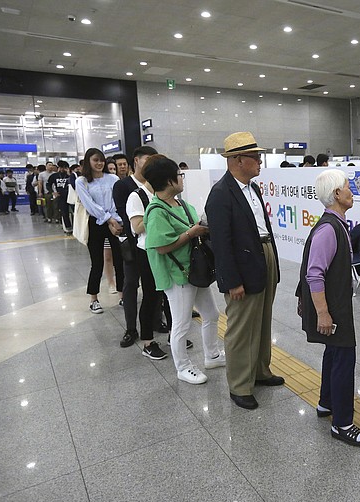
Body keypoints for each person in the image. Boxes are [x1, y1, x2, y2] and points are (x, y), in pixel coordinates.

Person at [205, 132, 283, 410]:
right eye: (255, 157)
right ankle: (239, 384)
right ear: (238, 160)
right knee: (240, 327)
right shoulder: (220, 194)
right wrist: (231, 281)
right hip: (242, 265)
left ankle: (260, 371)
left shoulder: (253, 189)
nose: (260, 161)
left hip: (264, 256)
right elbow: (221, 244)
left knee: (262, 319)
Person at [297, 169, 360, 446]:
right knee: (343, 359)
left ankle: (326, 402)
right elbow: (314, 274)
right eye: (348, 187)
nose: (352, 192)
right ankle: (342, 423)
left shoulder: (335, 224)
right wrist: (324, 313)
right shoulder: (329, 229)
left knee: (334, 353)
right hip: (332, 307)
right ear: (337, 194)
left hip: (336, 304)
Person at [143, 156, 223, 384]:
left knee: (211, 314)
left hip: (195, 271)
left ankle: (212, 354)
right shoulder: (156, 211)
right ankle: (183, 367)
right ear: (169, 181)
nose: (182, 178)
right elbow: (161, 246)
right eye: (179, 175)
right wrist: (191, 233)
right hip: (177, 275)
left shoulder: (181, 204)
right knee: (181, 324)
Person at [113, 145, 164, 355]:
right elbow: (128, 219)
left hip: (152, 246)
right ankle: (131, 329)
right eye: (147, 159)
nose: (151, 163)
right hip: (134, 245)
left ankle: (155, 322)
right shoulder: (124, 186)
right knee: (132, 284)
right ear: (136, 161)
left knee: (155, 287)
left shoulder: (157, 186)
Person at [74, 148, 125, 314]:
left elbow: (115, 201)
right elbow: (89, 205)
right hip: (96, 224)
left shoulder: (113, 178)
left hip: (115, 221)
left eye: (101, 160)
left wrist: (115, 220)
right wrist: (108, 218)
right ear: (88, 161)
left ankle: (122, 295)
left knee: (119, 260)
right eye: (95, 160)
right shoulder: (82, 181)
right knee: (97, 262)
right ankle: (93, 299)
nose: (99, 163)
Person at [49, 162, 72, 233]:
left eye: (64, 167)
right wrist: (53, 192)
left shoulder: (70, 175)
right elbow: (48, 184)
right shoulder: (54, 176)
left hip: (71, 196)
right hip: (61, 196)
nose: (62, 169)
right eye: (61, 167)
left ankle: (75, 227)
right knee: (64, 212)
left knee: (74, 212)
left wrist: (69, 174)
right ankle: (68, 227)